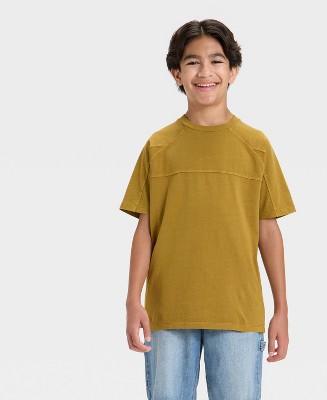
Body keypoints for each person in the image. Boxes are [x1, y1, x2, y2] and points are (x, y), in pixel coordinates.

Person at [119, 18, 296, 400]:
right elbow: (145, 230)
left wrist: (281, 308)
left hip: (237, 311)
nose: (205, 72)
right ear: (176, 74)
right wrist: (133, 300)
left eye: (216, 61)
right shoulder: (159, 146)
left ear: (233, 71)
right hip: (168, 310)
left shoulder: (256, 146)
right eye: (192, 62)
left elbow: (269, 231)